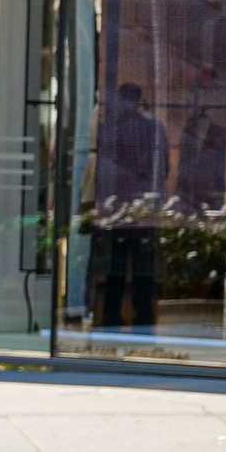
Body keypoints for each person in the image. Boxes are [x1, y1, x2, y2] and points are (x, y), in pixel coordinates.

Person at [92, 82, 169, 330]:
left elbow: (105, 170)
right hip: (142, 207)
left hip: (120, 207)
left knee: (116, 268)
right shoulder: (152, 128)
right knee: (141, 270)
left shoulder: (113, 129)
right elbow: (162, 168)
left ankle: (112, 319)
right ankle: (142, 320)